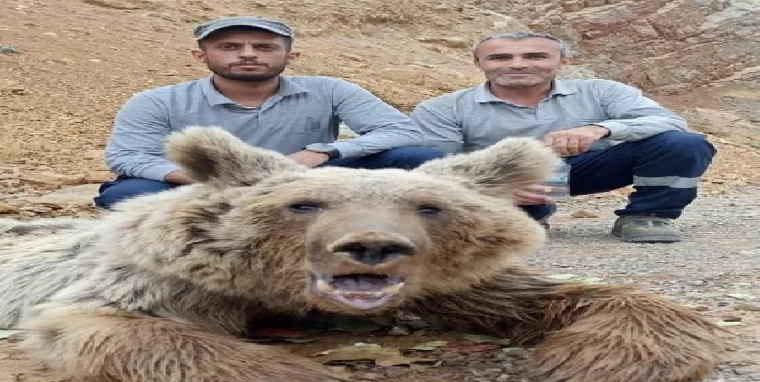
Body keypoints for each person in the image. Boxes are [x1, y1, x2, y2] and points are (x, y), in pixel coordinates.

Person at [94, 16, 444, 209]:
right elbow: (126, 155)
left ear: (290, 57)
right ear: (201, 56)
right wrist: (192, 177)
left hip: (305, 177)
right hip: (207, 184)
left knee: (416, 156)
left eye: (263, 47)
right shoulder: (156, 100)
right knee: (123, 195)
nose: (247, 54)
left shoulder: (331, 88)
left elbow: (402, 131)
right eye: (229, 46)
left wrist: (321, 152)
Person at [410, 32, 716, 243]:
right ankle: (526, 214)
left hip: (589, 167)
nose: (517, 64)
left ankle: (649, 216)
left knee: (683, 143)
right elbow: (435, 163)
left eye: (536, 56)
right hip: (505, 181)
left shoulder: (603, 90)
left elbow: (668, 120)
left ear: (563, 61)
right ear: (479, 63)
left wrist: (600, 129)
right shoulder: (443, 107)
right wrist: (486, 189)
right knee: (499, 219)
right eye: (500, 57)